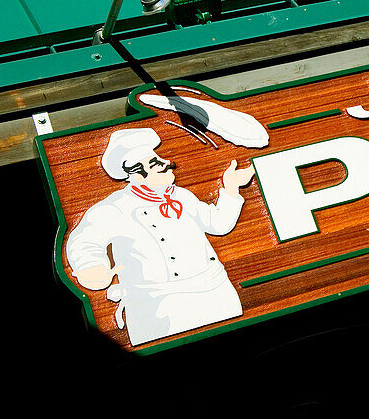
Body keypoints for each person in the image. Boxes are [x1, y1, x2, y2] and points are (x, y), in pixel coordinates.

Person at [65, 128, 255, 346]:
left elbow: (217, 224)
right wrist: (94, 269)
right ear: (136, 175)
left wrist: (232, 188)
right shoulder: (116, 207)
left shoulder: (182, 196)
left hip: (214, 292)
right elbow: (84, 241)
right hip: (159, 309)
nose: (166, 163)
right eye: (156, 164)